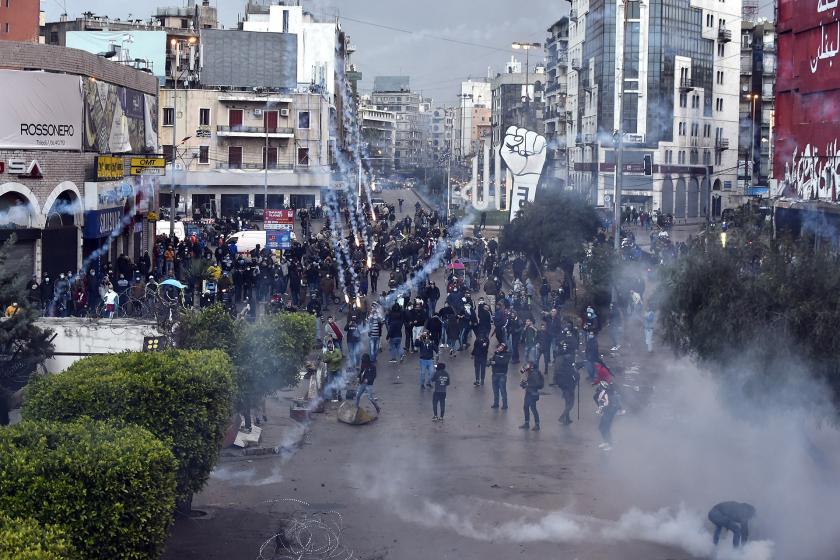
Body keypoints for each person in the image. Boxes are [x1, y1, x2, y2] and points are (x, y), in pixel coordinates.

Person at [595, 380, 620, 451]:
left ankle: (610, 444)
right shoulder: (603, 393)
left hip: (608, 414)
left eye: (599, 386)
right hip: (606, 413)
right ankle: (606, 441)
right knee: (601, 427)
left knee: (606, 429)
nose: (598, 387)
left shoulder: (607, 394)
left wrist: (605, 409)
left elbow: (608, 404)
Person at [518, 362, 544, 431]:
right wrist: (524, 383)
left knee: (533, 408)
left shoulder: (535, 373)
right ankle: (527, 423)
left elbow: (535, 384)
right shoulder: (531, 372)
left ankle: (537, 424)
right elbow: (528, 379)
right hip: (529, 392)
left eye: (527, 366)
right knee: (526, 407)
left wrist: (526, 384)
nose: (525, 368)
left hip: (533, 393)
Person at [488, 342, 511, 410]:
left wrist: (495, 362)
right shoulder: (495, 354)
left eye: (502, 347)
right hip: (494, 374)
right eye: (499, 346)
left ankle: (505, 405)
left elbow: (504, 362)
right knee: (495, 390)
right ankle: (496, 403)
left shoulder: (507, 354)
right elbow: (488, 363)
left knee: (503, 391)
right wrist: (490, 361)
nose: (500, 348)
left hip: (502, 375)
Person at [556, 359, 579, 425]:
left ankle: (567, 419)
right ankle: (562, 417)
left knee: (567, 404)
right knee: (570, 404)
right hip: (570, 389)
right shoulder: (571, 370)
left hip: (564, 389)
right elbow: (576, 377)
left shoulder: (561, 370)